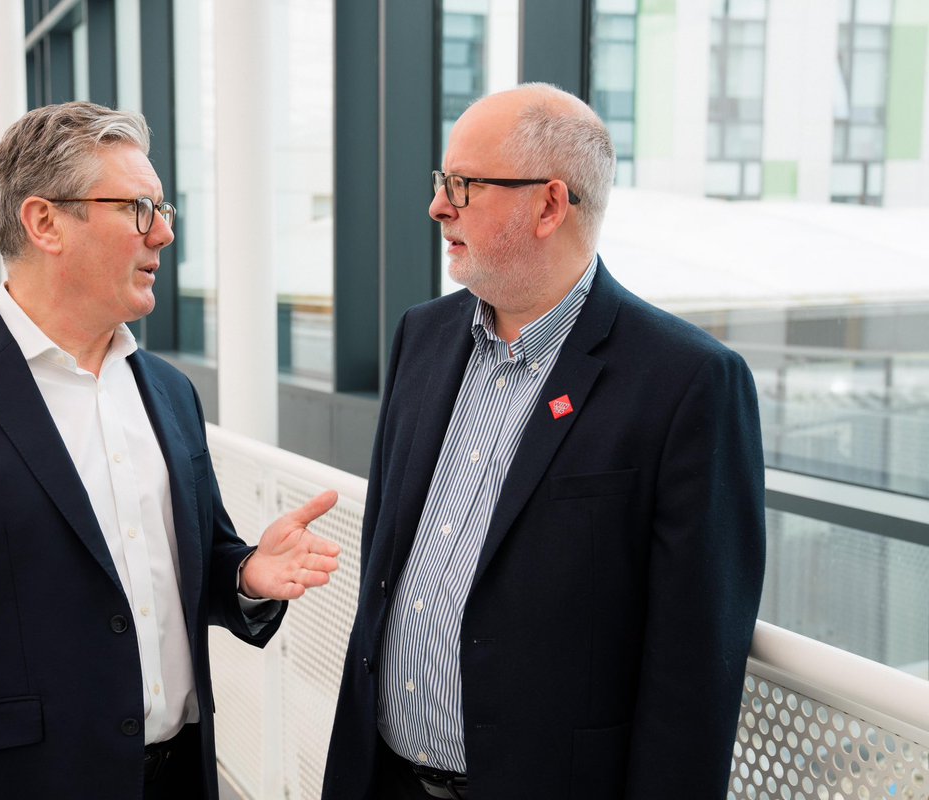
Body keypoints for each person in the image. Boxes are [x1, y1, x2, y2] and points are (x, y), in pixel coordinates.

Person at [0, 101, 341, 800]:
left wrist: (247, 573)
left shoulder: (168, 391)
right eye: (138, 209)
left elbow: (184, 566)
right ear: (44, 223)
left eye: (163, 211)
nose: (162, 234)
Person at [322, 83, 765, 799]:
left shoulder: (687, 383)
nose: (439, 206)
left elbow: (694, 670)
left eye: (462, 185)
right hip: (384, 777)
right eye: (442, 182)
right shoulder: (422, 337)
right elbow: (386, 565)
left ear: (550, 205)